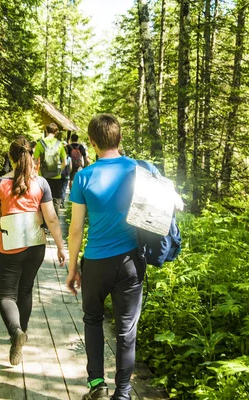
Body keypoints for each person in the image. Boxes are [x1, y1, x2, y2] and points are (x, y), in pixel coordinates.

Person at [66, 114, 145, 400]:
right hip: (130, 262)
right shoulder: (138, 170)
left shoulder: (84, 176)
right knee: (126, 330)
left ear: (92, 142)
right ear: (119, 139)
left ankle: (97, 384)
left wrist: (73, 268)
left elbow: (76, 229)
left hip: (96, 261)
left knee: (92, 320)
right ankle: (123, 393)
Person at [0, 136, 66, 366]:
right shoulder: (41, 184)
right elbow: (51, 218)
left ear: (10, 158)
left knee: (6, 295)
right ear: (31, 156)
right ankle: (20, 334)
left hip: (9, 245)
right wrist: (61, 247)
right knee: (25, 291)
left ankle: (15, 333)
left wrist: (2, 238)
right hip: (35, 246)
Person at [34, 123, 67, 213]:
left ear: (46, 131)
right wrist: (59, 170)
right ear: (56, 132)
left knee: (43, 199)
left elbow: (35, 161)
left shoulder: (40, 143)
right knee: (56, 199)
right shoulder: (59, 144)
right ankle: (54, 219)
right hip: (57, 176)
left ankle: (44, 223)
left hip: (43, 177)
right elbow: (65, 162)